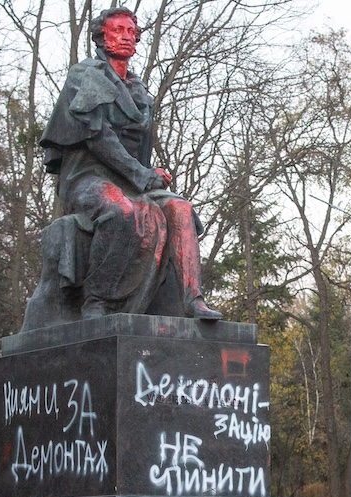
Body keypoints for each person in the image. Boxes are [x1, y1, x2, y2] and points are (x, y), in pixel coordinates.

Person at [21, 7, 221, 330]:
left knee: (180, 208)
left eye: (131, 32)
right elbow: (99, 139)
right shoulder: (84, 76)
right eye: (118, 31)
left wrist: (150, 175)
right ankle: (96, 300)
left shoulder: (140, 92)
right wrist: (143, 176)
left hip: (130, 177)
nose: (127, 37)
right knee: (123, 212)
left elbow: (139, 149)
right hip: (87, 176)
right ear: (102, 37)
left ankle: (193, 299)